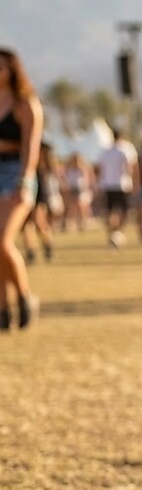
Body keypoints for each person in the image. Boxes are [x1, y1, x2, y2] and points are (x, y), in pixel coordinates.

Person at [0, 49, 43, 329]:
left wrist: (25, 181)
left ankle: (25, 296)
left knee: (2, 241)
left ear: (12, 70)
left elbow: (31, 146)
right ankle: (4, 309)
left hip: (16, 174)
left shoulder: (26, 103)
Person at [96, 128, 139, 249]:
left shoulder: (105, 151)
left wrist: (99, 184)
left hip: (108, 185)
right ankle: (117, 232)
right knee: (123, 211)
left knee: (110, 212)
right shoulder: (126, 148)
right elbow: (130, 167)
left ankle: (112, 235)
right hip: (122, 185)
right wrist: (135, 182)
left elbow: (100, 169)